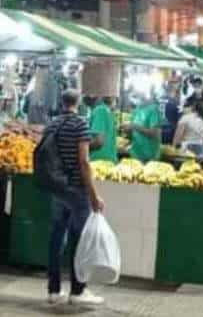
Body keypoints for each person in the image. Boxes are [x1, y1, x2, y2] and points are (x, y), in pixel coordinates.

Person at [47, 90, 105, 307]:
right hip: (76, 190)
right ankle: (78, 290)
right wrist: (93, 195)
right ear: (78, 102)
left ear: (62, 102)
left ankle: (53, 290)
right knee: (79, 240)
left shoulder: (53, 124)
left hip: (57, 188)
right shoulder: (80, 124)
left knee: (56, 239)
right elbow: (84, 162)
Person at [124, 92, 161, 163]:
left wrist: (135, 127)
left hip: (149, 154)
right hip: (135, 153)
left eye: (137, 96)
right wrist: (128, 130)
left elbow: (154, 133)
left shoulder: (153, 110)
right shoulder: (136, 110)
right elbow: (132, 133)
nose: (135, 99)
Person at [89, 96, 117, 162]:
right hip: (109, 159)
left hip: (98, 160)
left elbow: (99, 142)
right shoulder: (108, 111)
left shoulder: (100, 110)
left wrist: (82, 147)